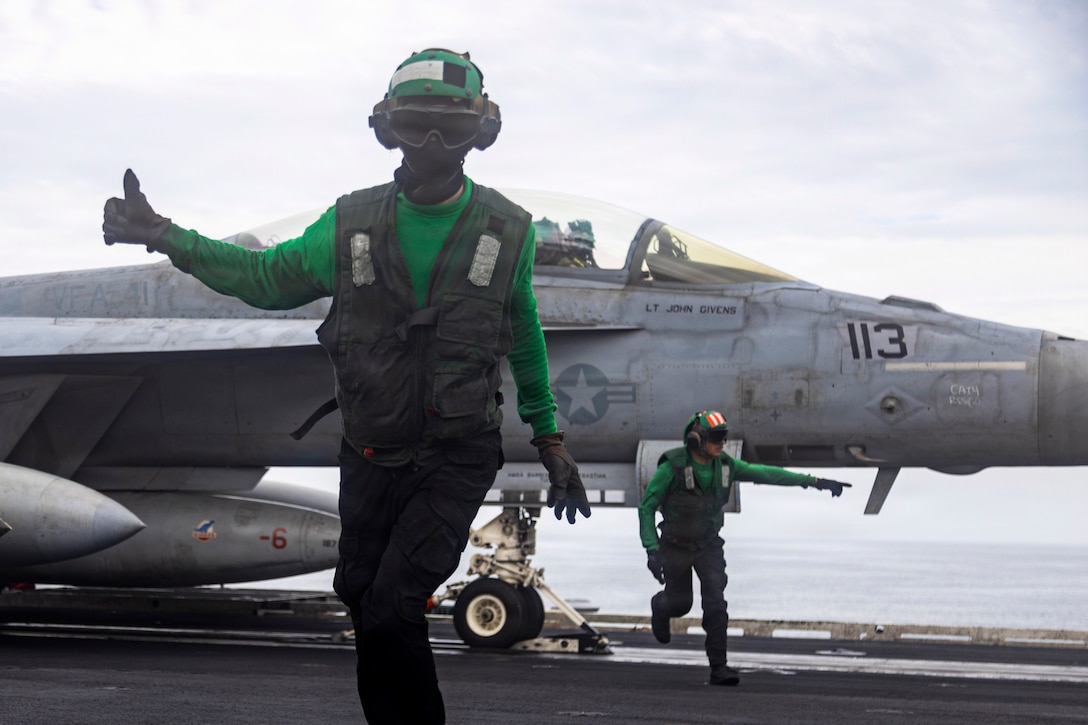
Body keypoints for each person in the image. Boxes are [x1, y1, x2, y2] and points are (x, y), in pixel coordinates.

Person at [102, 48, 591, 725]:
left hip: (456, 455)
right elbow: (264, 278)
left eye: (448, 127)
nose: (430, 142)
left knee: (395, 601)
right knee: (365, 599)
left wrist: (550, 438)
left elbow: (525, 331)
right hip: (369, 454)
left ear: (480, 133)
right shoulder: (348, 225)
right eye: (417, 122)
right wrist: (166, 235)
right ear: (386, 127)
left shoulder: (506, 233)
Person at [637, 410, 849, 686]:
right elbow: (647, 508)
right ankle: (661, 606)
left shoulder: (725, 466)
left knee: (716, 605)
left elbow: (767, 474)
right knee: (681, 603)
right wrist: (652, 550)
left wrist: (814, 482)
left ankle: (719, 668)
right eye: (716, 437)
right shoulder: (671, 468)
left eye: (724, 437)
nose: (722, 443)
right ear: (695, 440)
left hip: (708, 546)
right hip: (676, 547)